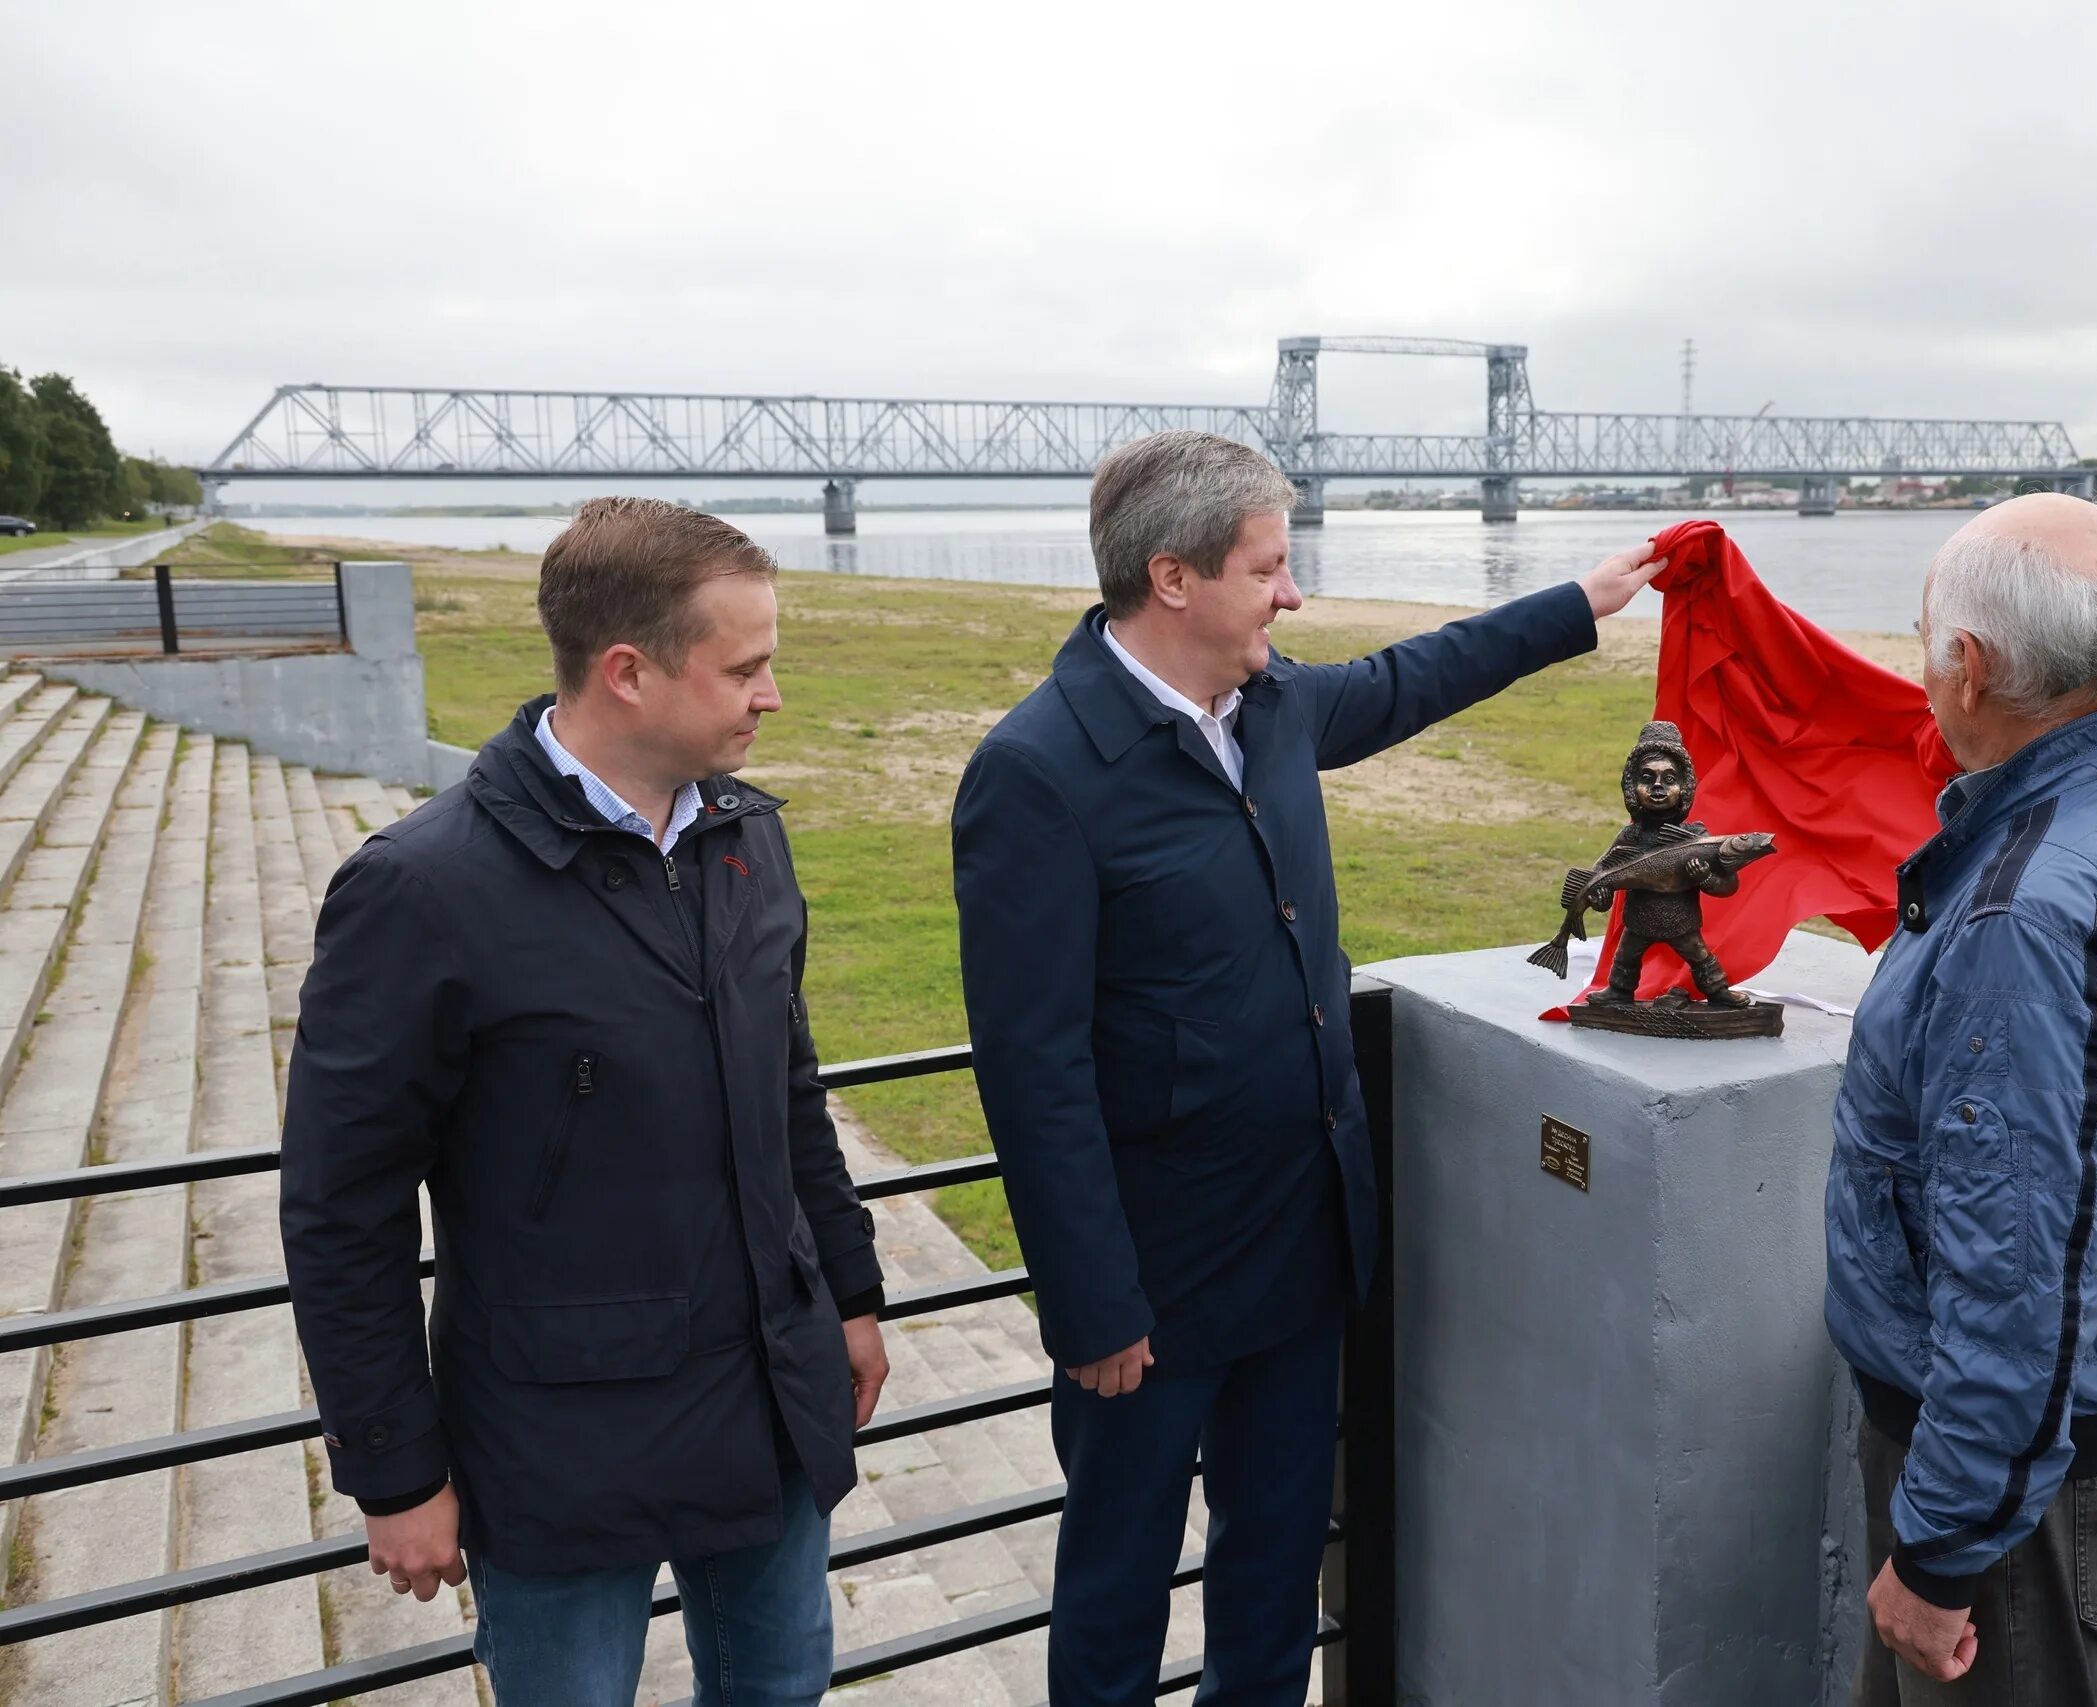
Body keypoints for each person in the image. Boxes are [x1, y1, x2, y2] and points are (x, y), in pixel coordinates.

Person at [951, 430, 1663, 1704]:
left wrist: (1579, 604)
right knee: (1115, 1596)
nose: (1292, 595)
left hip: (1299, 1243)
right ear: (1173, 578)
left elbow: (1411, 677)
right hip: (1150, 1289)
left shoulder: (1269, 704)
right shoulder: (1038, 772)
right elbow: (1031, 1063)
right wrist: (1092, 1303)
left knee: (1276, 1575)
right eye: (1270, 567)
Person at [279, 497, 891, 1706]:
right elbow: (340, 1206)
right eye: (747, 668)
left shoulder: (746, 842)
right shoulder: (420, 890)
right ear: (628, 672)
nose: (771, 695)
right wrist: (395, 1472)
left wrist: (851, 1294)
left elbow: (789, 1091)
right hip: (555, 1451)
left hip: (765, 1403)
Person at [1827, 493, 2097, 1705]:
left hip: (2006, 1502)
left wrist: (1940, 1550)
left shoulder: (2024, 916)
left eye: (1923, 637)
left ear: (1969, 665)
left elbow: (2014, 1268)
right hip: (2033, 1457)